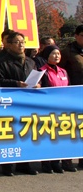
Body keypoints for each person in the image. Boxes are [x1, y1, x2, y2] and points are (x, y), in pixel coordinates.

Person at [0, 31, 39, 176]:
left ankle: (24, 164)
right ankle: (7, 166)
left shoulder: (30, 62)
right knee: (9, 134)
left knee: (25, 132)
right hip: (9, 102)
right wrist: (16, 83)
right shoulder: (0, 61)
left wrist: (38, 84)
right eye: (17, 42)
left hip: (27, 102)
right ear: (9, 45)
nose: (21, 45)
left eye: (23, 42)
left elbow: (35, 78)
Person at [38, 45, 74, 173]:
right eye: (53, 54)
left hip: (62, 109)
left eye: (58, 53)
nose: (57, 56)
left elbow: (69, 88)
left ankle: (56, 162)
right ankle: (46, 163)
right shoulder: (42, 71)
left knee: (59, 137)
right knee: (47, 137)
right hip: (47, 109)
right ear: (47, 56)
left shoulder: (63, 71)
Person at [58, 24, 83, 170]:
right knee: (71, 129)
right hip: (72, 96)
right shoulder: (67, 52)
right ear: (77, 35)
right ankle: (66, 160)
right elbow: (59, 71)